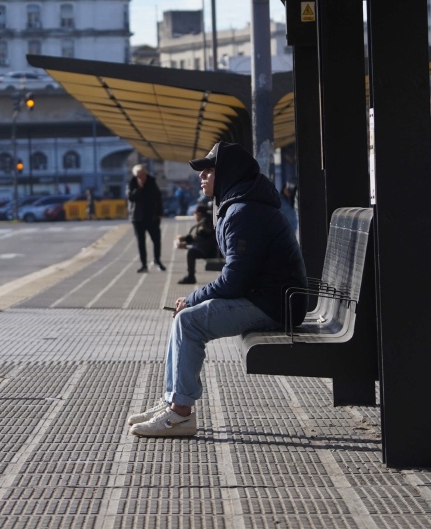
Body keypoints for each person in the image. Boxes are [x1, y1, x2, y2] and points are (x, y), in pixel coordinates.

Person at [128, 142, 307, 437]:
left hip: (275, 304)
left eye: (208, 171)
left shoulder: (243, 211)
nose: (202, 177)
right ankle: (173, 400)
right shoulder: (239, 203)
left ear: (226, 174)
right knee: (184, 317)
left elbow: (235, 279)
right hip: (270, 297)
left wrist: (192, 298)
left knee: (188, 319)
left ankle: (180, 414)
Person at [126, 163, 165, 272]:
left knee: (156, 239)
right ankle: (144, 264)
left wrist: (160, 213)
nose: (141, 177)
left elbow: (158, 198)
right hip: (137, 218)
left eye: (143, 174)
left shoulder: (152, 182)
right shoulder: (132, 183)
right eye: (138, 175)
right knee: (140, 242)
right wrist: (139, 187)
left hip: (152, 217)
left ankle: (157, 260)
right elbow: (131, 197)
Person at [175, 202, 218, 285]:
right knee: (191, 251)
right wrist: (185, 241)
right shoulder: (207, 220)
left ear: (199, 214)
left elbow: (199, 236)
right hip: (209, 248)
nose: (194, 216)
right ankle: (190, 276)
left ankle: (191, 276)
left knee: (191, 253)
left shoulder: (205, 223)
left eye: (195, 214)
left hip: (210, 251)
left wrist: (185, 244)